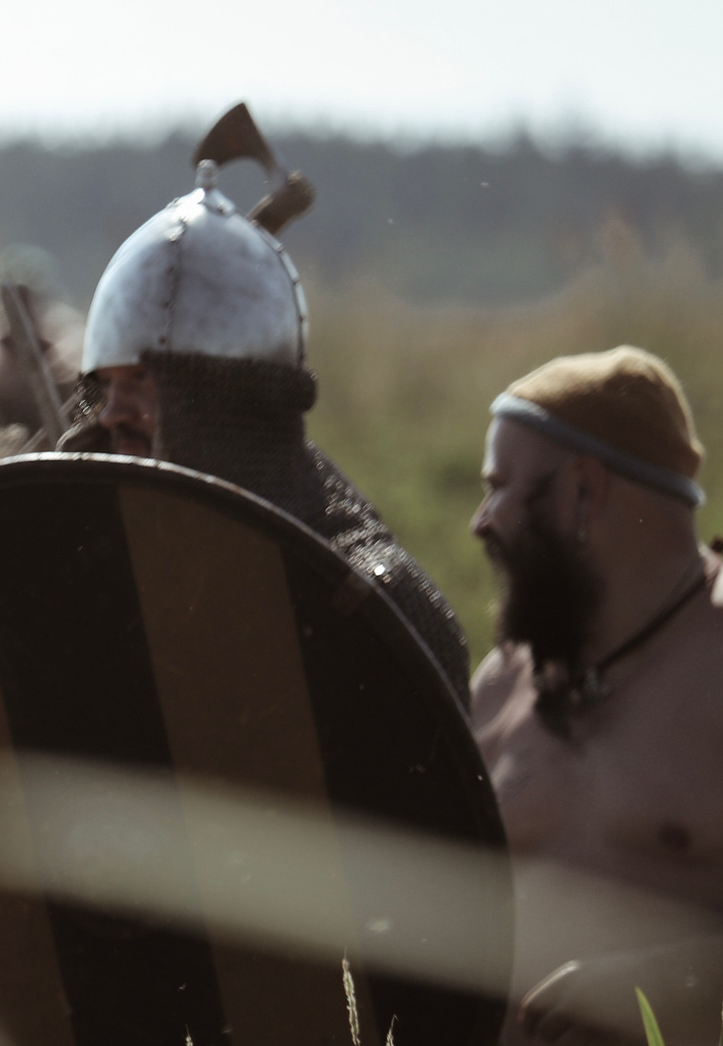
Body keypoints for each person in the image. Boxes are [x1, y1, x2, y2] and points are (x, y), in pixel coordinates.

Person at [471, 348, 723, 1046]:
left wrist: (658, 984)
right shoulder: (503, 684)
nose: (481, 519)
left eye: (500, 487)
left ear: (585, 488)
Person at [69, 157, 470, 699]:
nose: (112, 414)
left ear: (229, 399)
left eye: (141, 381)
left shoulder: (369, 598)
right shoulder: (93, 560)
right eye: (106, 386)